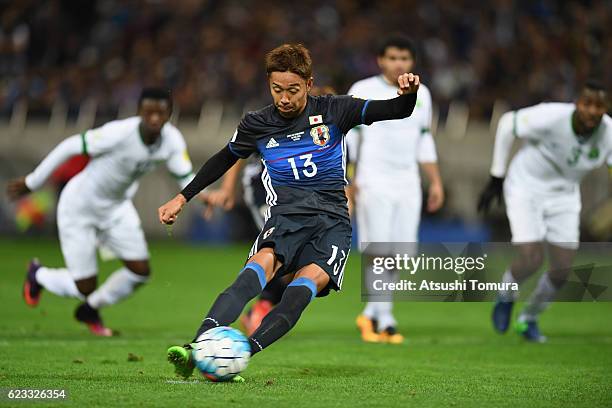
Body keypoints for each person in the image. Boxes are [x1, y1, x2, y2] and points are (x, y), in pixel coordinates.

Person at [158, 43, 421, 379]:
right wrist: (182, 197)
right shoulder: (258, 123)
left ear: (309, 84)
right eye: (277, 90)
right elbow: (224, 158)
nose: (284, 98)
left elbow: (397, 110)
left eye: (292, 90)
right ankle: (194, 348)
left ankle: (242, 352)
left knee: (299, 292)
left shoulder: (335, 110)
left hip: (332, 223)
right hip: (286, 217)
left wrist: (409, 94)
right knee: (251, 276)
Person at [6, 88, 199, 336]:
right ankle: (39, 274)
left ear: (169, 114)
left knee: (140, 271)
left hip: (117, 209)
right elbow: (70, 146)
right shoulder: (119, 133)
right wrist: (33, 181)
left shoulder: (172, 140)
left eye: (160, 113)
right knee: (84, 285)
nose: (154, 118)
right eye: (148, 112)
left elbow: (185, 176)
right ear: (140, 112)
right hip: (80, 207)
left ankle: (90, 309)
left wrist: (205, 196)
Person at [478, 80, 611, 342]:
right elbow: (507, 124)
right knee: (532, 258)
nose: (592, 111)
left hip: (565, 196)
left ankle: (528, 319)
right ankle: (506, 295)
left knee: (562, 270)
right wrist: (497, 176)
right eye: (587, 103)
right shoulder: (551, 116)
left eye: (599, 106)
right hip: (526, 187)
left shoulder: (609, 133)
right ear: (577, 104)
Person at [201, 85, 339, 336]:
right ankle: (260, 307)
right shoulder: (279, 121)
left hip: (303, 199)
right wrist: (228, 188)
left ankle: (263, 305)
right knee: (282, 250)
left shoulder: (332, 132)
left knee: (299, 258)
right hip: (264, 188)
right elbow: (238, 152)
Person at [347, 35, 444, 344]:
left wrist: (436, 181)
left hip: (408, 181)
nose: (398, 63)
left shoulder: (422, 94)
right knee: (379, 250)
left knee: (401, 254)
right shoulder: (362, 91)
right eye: (392, 58)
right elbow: (349, 141)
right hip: (373, 179)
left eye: (404, 58)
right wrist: (350, 180)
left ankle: (371, 312)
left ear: (412, 62)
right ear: (380, 60)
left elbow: (424, 139)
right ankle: (385, 319)